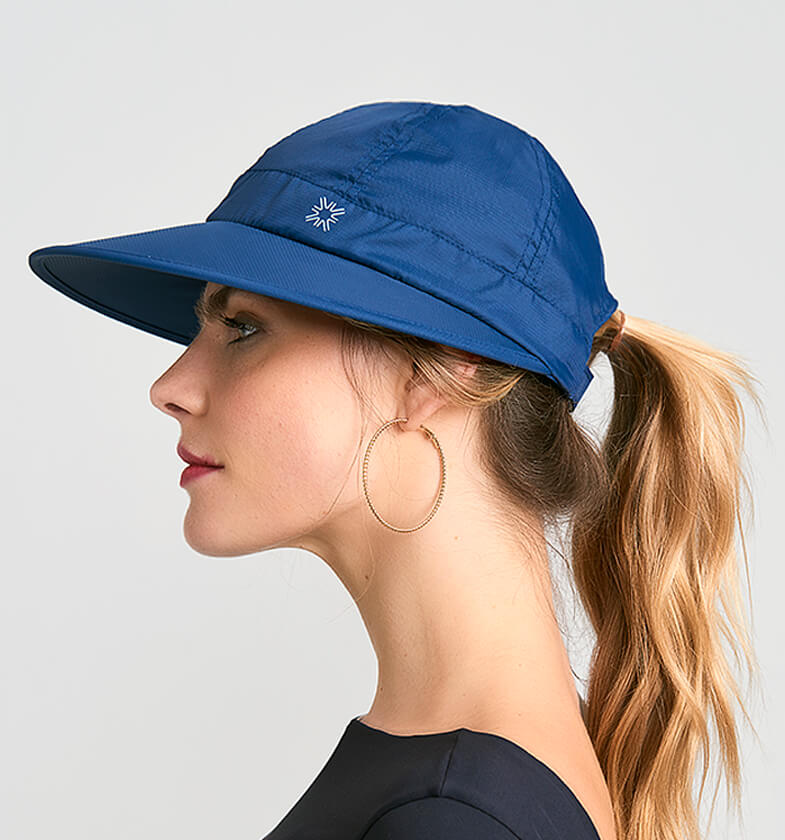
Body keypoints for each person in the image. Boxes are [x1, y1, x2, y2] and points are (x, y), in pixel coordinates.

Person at [28, 100, 761, 840]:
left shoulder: (452, 817)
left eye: (243, 327)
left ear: (435, 372)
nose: (170, 387)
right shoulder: (462, 783)